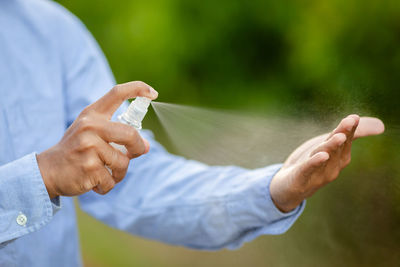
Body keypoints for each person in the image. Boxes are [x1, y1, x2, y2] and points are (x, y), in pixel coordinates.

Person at [0, 0, 384, 266]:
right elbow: (57, 171)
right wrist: (42, 176)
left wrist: (274, 189)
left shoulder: (51, 31)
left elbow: (132, 180)